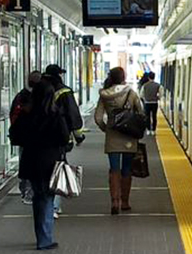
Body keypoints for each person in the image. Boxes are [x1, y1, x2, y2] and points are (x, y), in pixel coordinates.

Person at [16, 79, 69, 250]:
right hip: (50, 162)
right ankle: (44, 239)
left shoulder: (26, 115)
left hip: (31, 161)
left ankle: (42, 235)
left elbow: (15, 136)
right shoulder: (55, 115)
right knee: (46, 197)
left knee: (39, 197)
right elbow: (64, 138)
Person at [94, 67, 144, 214]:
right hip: (129, 136)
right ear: (123, 77)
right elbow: (140, 113)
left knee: (114, 169)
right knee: (126, 169)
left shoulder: (104, 95)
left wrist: (107, 129)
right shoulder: (131, 93)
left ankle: (114, 202)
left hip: (112, 137)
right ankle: (125, 201)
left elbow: (97, 118)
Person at [43, 64, 85, 218]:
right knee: (57, 168)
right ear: (59, 75)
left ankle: (44, 204)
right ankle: (54, 207)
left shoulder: (38, 90)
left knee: (42, 171)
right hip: (59, 138)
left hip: (39, 139)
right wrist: (78, 135)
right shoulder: (64, 91)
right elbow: (73, 115)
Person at [10, 71, 43, 203]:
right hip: (36, 139)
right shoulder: (41, 97)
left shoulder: (21, 96)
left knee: (25, 163)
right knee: (34, 164)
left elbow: (14, 117)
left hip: (25, 138)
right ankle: (30, 191)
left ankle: (26, 190)